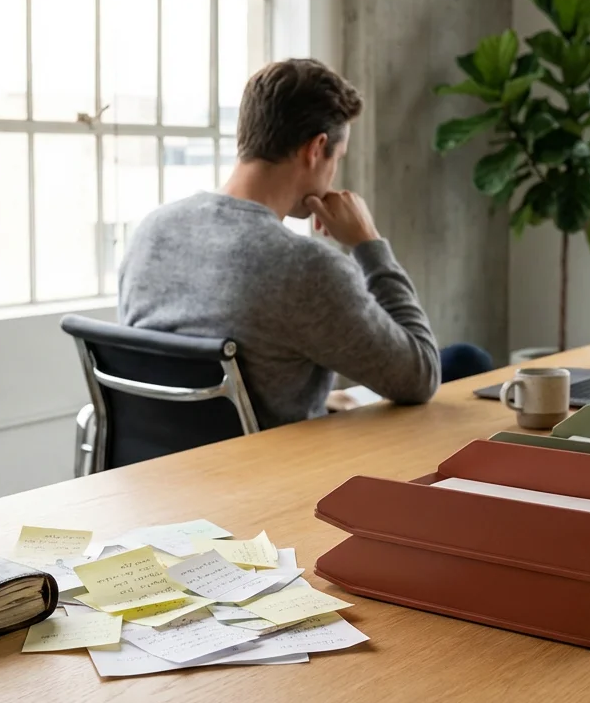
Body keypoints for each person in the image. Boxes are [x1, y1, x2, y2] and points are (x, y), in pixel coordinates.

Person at [118, 58, 491, 430]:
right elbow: (420, 376)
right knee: (465, 363)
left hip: (167, 467)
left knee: (459, 361)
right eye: (337, 159)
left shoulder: (150, 232)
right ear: (316, 149)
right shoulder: (303, 266)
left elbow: (176, 370)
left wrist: (316, 400)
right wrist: (368, 244)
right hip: (271, 473)